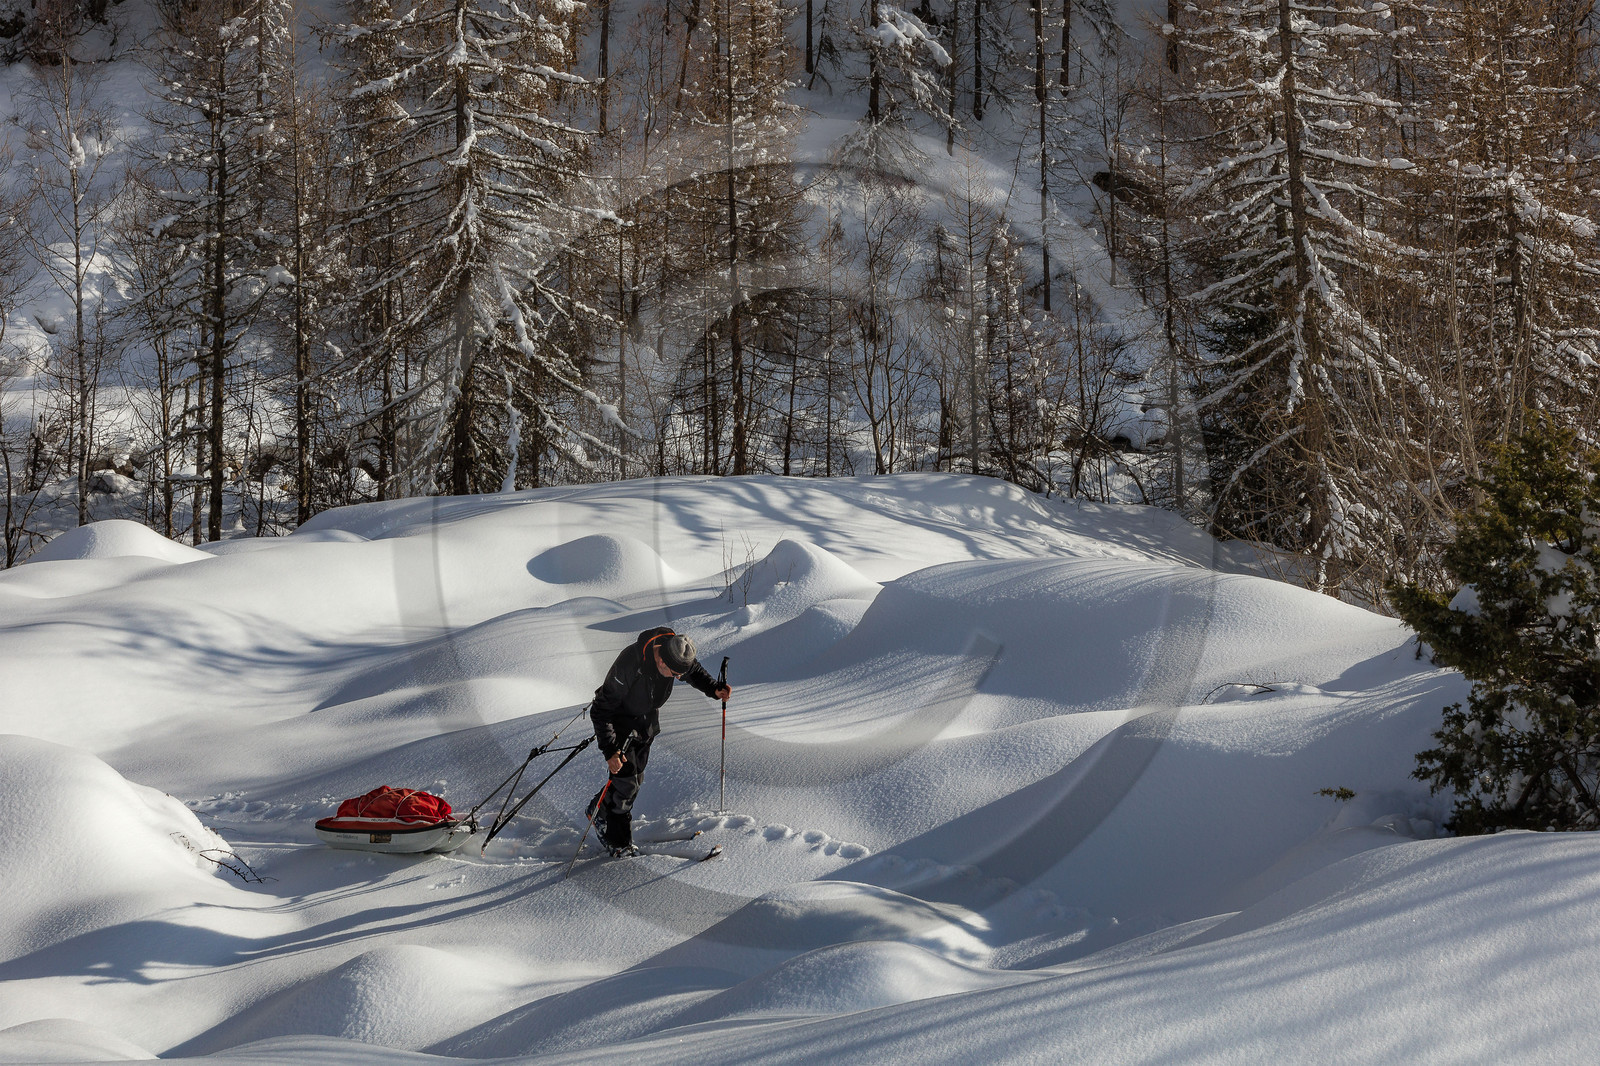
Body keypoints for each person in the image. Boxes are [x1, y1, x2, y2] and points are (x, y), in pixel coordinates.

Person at [586, 626, 731, 856]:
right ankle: (617, 842)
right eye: (675, 674)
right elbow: (601, 709)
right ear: (661, 661)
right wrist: (610, 750)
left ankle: (599, 809)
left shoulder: (674, 652)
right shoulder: (630, 663)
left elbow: (693, 671)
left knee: (635, 778)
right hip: (620, 721)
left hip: (646, 722)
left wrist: (713, 689)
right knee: (626, 782)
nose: (678, 678)